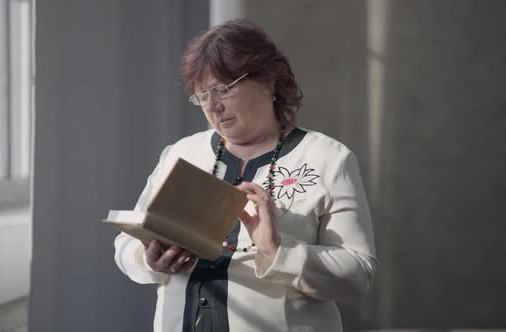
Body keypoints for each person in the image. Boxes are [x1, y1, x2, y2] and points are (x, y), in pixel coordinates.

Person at [114, 19, 377, 332]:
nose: (213, 107)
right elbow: (125, 245)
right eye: (201, 96)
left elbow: (358, 273)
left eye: (222, 90)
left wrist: (278, 249)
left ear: (266, 80)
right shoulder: (181, 154)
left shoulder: (328, 158)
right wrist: (148, 258)